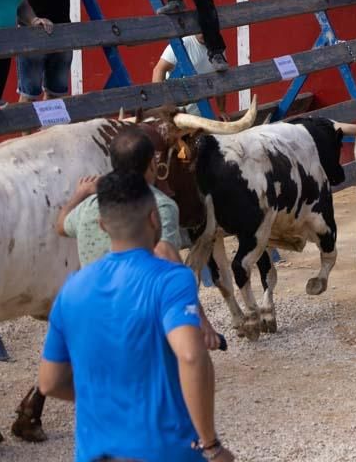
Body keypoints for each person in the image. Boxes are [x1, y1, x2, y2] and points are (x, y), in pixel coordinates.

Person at [13, 128, 221, 445]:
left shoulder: (92, 207)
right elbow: (165, 254)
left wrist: (79, 195)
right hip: (141, 304)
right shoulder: (161, 205)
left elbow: (60, 225)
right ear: (153, 164)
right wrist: (200, 318)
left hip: (93, 307)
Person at [37, 170, 235, 462]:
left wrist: (105, 396)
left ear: (103, 226)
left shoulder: (71, 289)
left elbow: (49, 383)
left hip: (95, 453)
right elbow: (191, 356)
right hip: (167, 450)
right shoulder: (171, 279)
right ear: (154, 218)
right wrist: (211, 445)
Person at [152, 34, 231, 117]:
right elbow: (159, 70)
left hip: (198, 112)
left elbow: (219, 80)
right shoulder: (183, 44)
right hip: (173, 111)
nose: (202, 34)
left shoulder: (217, 48)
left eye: (204, 30)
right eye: (199, 30)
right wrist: (162, 106)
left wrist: (222, 110)